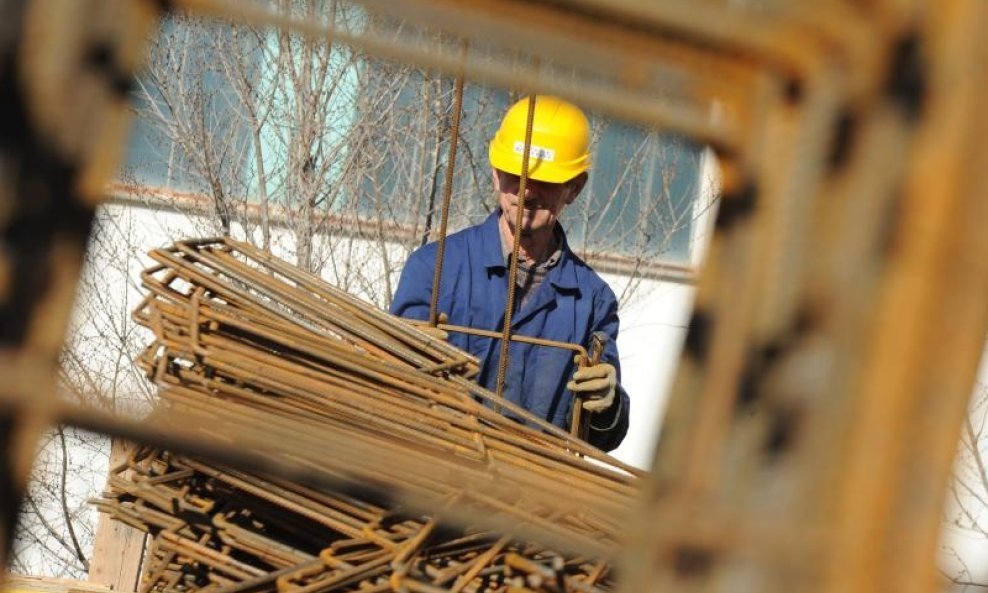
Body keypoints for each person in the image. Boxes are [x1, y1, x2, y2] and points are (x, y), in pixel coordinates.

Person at [390, 95, 629, 452]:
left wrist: (608, 405)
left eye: (543, 180)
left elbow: (598, 438)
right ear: (495, 172)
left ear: (575, 188)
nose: (525, 190)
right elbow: (388, 389)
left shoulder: (592, 301)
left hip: (532, 500)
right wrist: (406, 360)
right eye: (513, 175)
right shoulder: (435, 269)